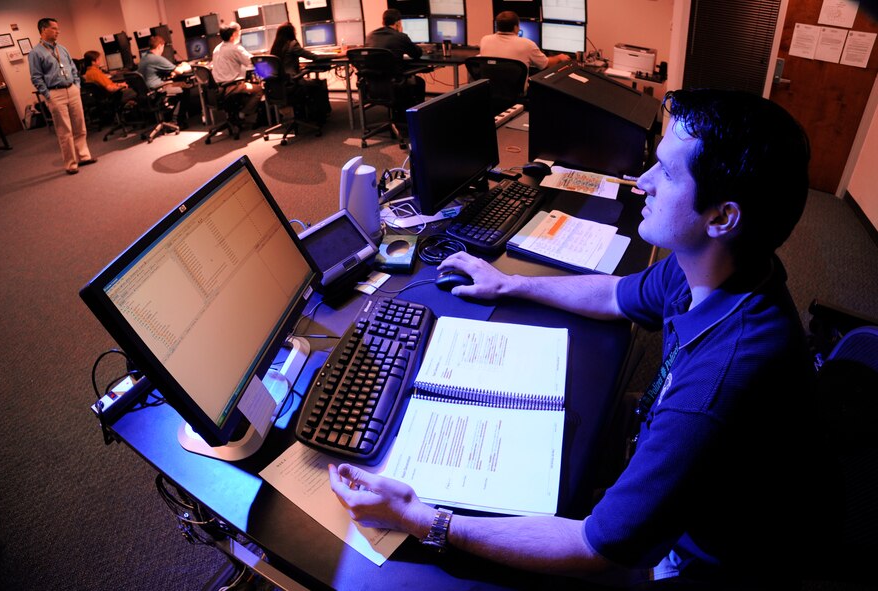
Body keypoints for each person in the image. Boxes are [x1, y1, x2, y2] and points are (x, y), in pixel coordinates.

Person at [330, 89, 814, 587]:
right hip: (700, 491)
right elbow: (616, 295)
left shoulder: (718, 384)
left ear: (722, 217)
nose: (641, 182)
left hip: (706, 560)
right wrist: (511, 284)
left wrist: (421, 519)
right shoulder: (722, 267)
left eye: (666, 173)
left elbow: (594, 548)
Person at [28, 17, 95, 175]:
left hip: (71, 89)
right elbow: (36, 77)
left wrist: (77, 86)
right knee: (65, 131)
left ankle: (84, 157)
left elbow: (73, 68)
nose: (58, 31)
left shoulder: (62, 49)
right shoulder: (35, 53)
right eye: (54, 28)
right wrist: (47, 95)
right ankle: (71, 164)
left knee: (80, 126)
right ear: (43, 30)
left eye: (58, 28)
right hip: (55, 93)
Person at [268, 22, 331, 125]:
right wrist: (339, 55)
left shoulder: (275, 48)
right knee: (319, 84)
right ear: (291, 33)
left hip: (279, 87)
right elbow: (315, 57)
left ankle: (305, 114)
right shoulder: (292, 45)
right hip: (292, 84)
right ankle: (320, 116)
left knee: (310, 83)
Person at [364, 9, 426, 107]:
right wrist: (401, 34)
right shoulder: (400, 36)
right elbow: (417, 53)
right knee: (419, 82)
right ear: (398, 23)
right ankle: (415, 116)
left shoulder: (370, 36)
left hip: (373, 84)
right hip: (395, 84)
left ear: (383, 22)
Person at [480, 11, 570, 72]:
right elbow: (545, 64)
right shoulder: (527, 44)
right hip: (517, 92)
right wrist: (559, 57)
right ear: (515, 27)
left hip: (490, 91)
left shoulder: (485, 40)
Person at [211, 22, 263, 123]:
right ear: (234, 35)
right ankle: (242, 114)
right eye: (239, 33)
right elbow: (252, 62)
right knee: (259, 89)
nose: (240, 35)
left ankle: (236, 115)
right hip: (232, 87)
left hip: (219, 88)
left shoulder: (216, 49)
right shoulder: (235, 48)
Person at [136, 35, 192, 127]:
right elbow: (178, 71)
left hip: (148, 93)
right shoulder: (156, 58)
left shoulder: (144, 58)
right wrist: (184, 65)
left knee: (175, 86)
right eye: (163, 47)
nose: (163, 50)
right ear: (159, 46)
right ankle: (176, 121)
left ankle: (169, 118)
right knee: (185, 87)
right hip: (157, 92)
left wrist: (172, 73)